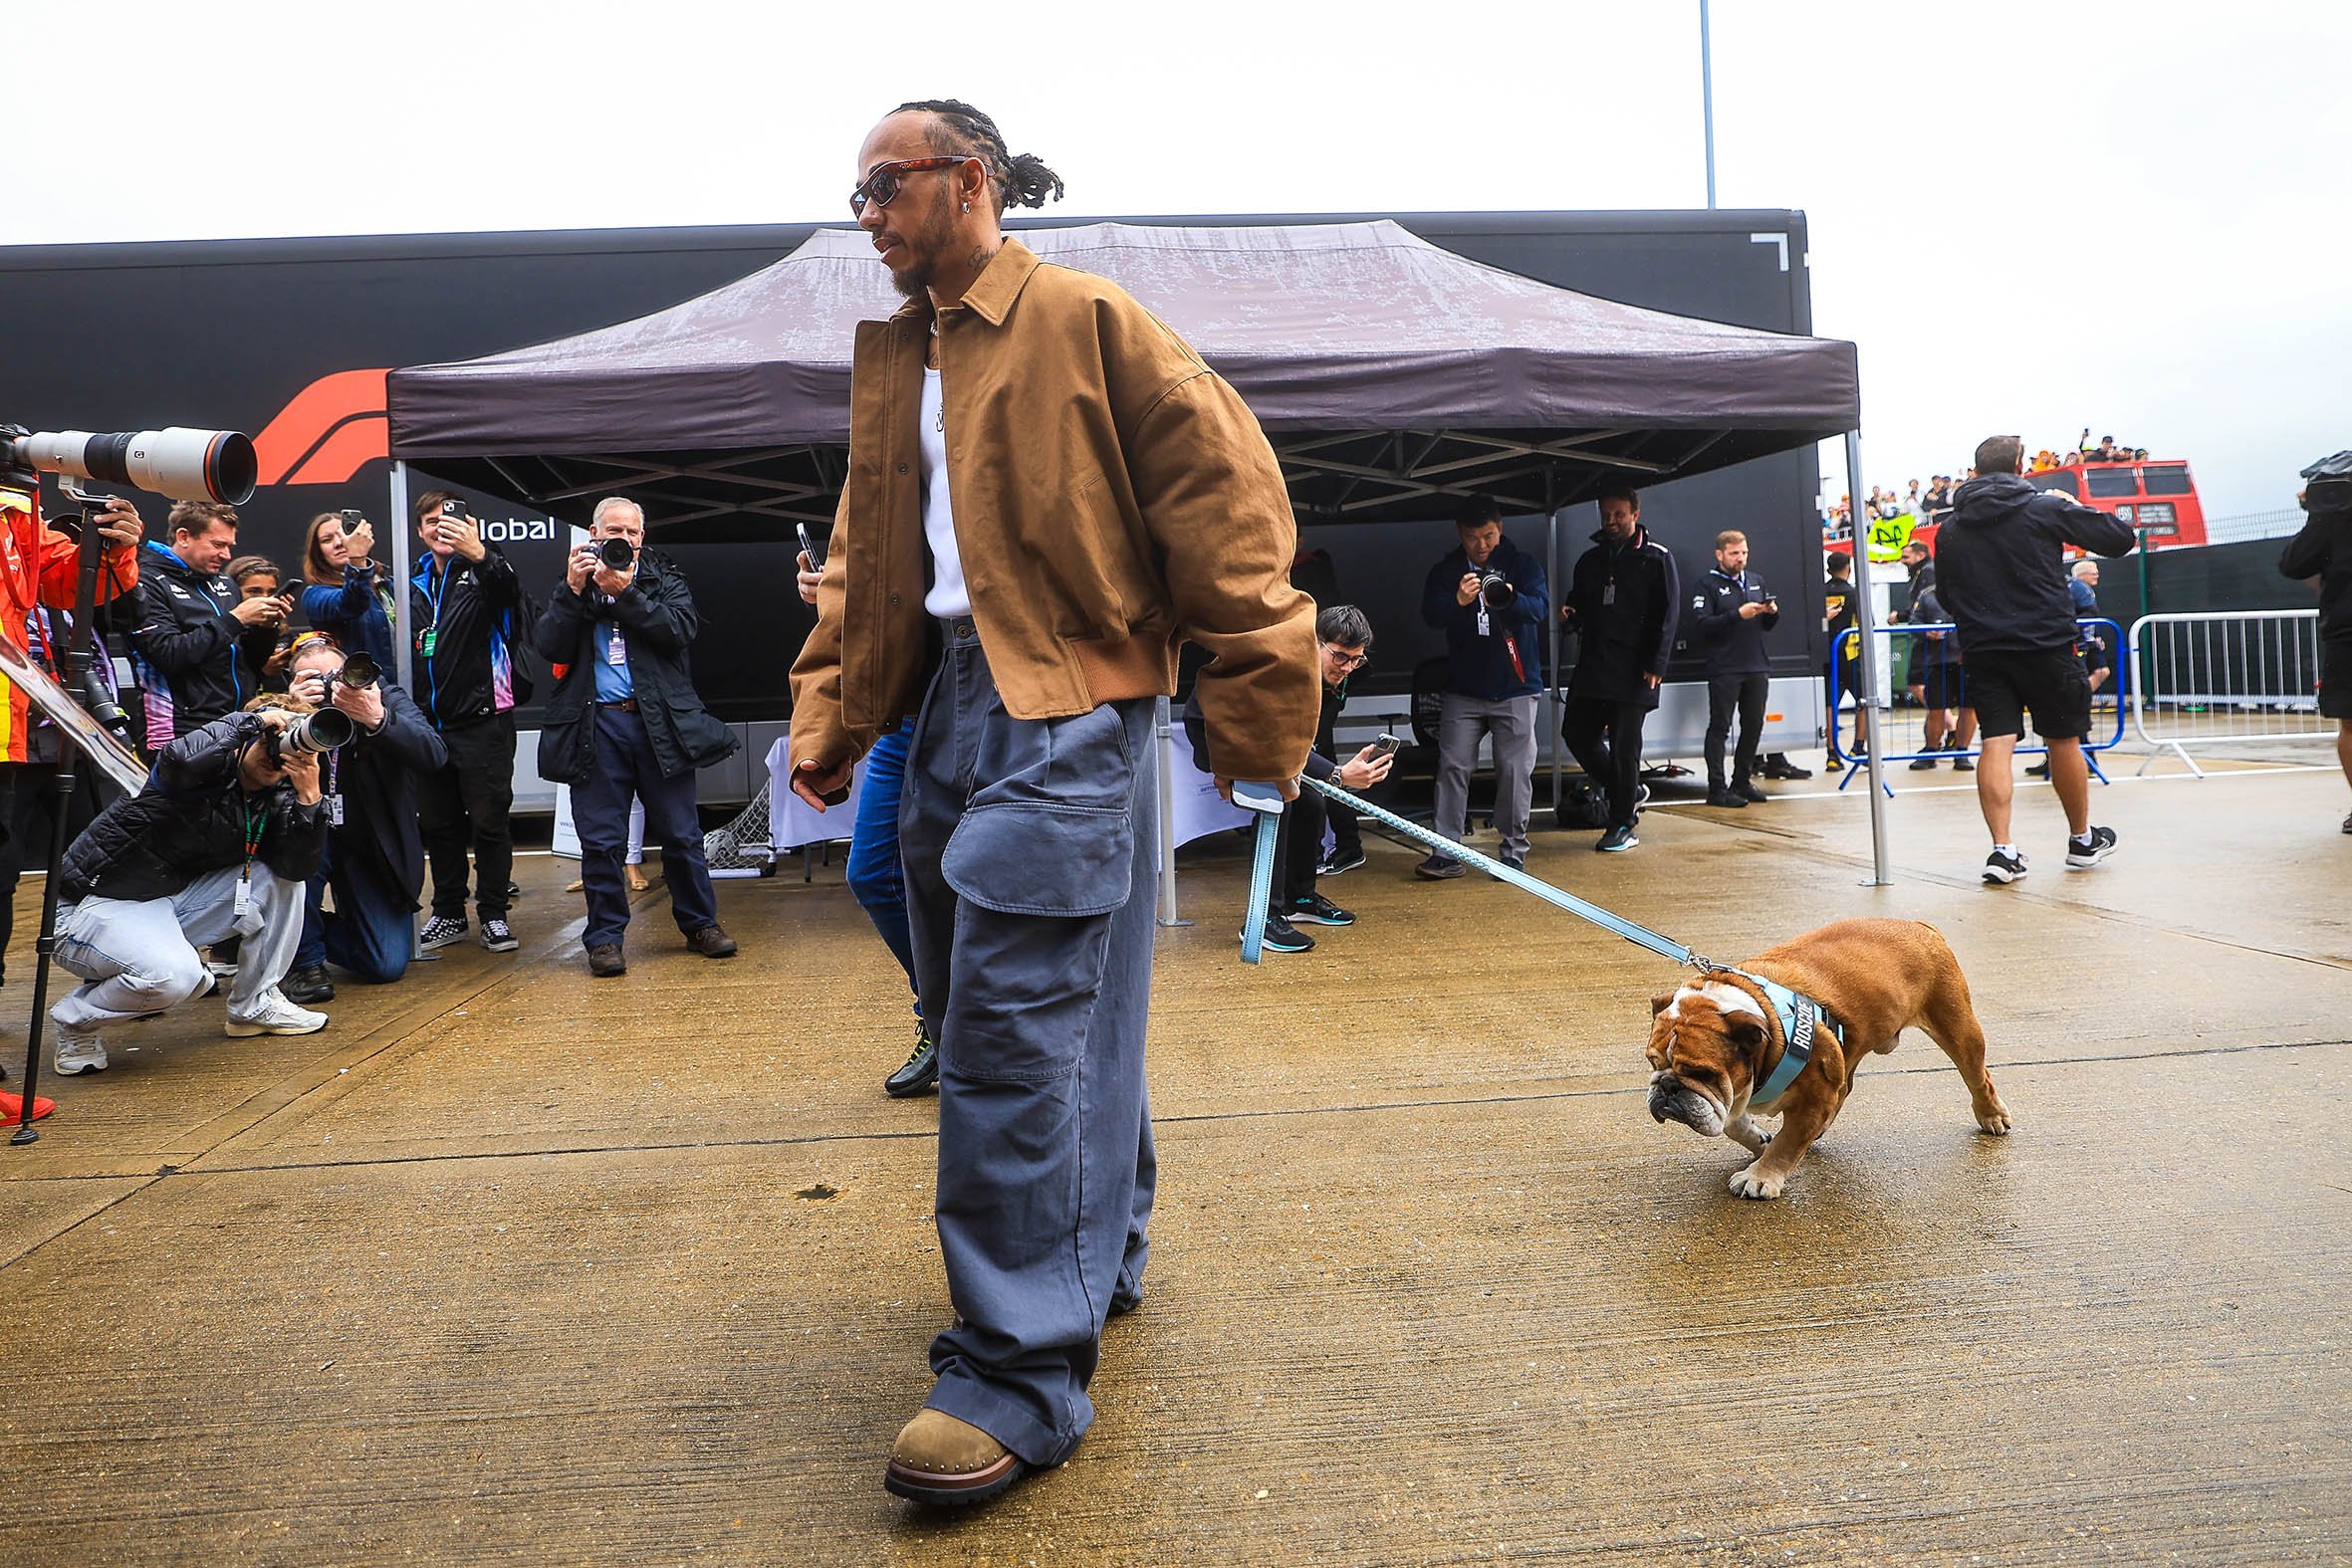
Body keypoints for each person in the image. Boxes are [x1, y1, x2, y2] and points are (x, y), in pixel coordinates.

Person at [788, 99, 1316, 1506]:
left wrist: (1258, 714)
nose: (869, 218)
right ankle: (1101, 1249)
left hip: (1076, 708)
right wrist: (833, 718)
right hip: (948, 705)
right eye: (856, 196)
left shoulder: (1087, 317)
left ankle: (1018, 1368)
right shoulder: (900, 361)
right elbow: (862, 560)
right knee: (1017, 1006)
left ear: (972, 181)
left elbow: (1227, 507)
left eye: (884, 186)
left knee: (1015, 1031)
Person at [46, 695, 333, 1075]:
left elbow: (296, 868)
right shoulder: (197, 772)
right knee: (178, 978)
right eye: (269, 742)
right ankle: (76, 1020)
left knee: (280, 879)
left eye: (287, 748)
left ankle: (254, 1004)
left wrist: (309, 798)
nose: (274, 756)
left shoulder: (278, 797)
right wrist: (255, 722)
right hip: (87, 906)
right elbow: (180, 759)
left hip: (163, 904)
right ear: (245, 736)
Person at [535, 497, 738, 977]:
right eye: (612, 532)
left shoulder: (661, 578)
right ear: (593, 533)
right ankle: (605, 939)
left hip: (657, 724)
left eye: (629, 532)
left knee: (682, 834)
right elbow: (548, 645)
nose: (621, 540)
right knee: (601, 842)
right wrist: (573, 589)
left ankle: (700, 925)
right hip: (596, 725)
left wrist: (626, 592)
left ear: (641, 538)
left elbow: (679, 631)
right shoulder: (574, 582)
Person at [1936, 435, 2135, 884]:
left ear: (1976, 469)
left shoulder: (1951, 528)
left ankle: (2002, 851)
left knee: (1996, 743)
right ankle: (2081, 840)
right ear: (2021, 465)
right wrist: (2069, 499)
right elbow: (2119, 539)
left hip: (1985, 648)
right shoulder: (2044, 508)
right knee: (2063, 740)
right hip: (2047, 644)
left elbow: (1947, 593)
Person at [798, 547, 931, 1094]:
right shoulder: (882, 474)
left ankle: (974, 1024)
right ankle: (943, 1015)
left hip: (995, 694)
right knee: (873, 873)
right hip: (903, 708)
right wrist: (833, 593)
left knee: (979, 875)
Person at [0, 481, 144, 989]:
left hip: (19, 734)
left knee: (4, 872)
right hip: (20, 731)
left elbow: (69, 579)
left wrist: (115, 544)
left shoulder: (13, 505)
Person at [1184, 604, 1391, 952]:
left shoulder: (1330, 673)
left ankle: (1299, 899)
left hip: (1260, 733)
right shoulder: (1286, 670)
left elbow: (1298, 742)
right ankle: (1263, 918)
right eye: (1340, 657)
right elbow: (1279, 744)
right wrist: (1337, 774)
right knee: (1277, 801)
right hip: (1216, 727)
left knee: (1311, 800)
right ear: (1315, 642)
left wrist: (1328, 774)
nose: (1347, 668)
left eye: (1356, 660)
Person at [278, 633, 446, 1004]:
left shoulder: (381, 696)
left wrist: (377, 719)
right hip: (307, 831)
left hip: (368, 843)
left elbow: (434, 754)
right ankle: (305, 963)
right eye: (311, 678)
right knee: (300, 858)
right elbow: (250, 769)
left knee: (383, 965)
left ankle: (291, 933)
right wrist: (289, 714)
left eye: (334, 676)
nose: (327, 687)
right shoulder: (281, 706)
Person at [408, 490, 526, 955]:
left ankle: (494, 915)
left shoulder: (486, 570)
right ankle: (449, 913)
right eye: (432, 521)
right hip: (429, 725)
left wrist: (479, 554)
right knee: (438, 825)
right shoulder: (412, 581)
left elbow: (510, 594)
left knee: (490, 822)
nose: (442, 527)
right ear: (420, 531)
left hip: (483, 720)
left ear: (472, 526)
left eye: (451, 519)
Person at [1416, 495, 1547, 877]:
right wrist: (1458, 601)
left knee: (1514, 771)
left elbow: (1539, 609)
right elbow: (1430, 615)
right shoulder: (1447, 570)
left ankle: (1512, 853)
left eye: (1488, 535)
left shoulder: (1522, 565)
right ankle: (1445, 851)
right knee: (1452, 766)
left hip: (1517, 686)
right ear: (1461, 534)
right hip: (1464, 688)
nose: (1482, 545)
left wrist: (1509, 598)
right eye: (1473, 537)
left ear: (1500, 528)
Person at [1559, 487, 1679, 852]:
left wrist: (1657, 663)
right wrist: (1570, 614)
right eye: (1606, 515)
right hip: (1594, 665)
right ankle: (1627, 790)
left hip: (1636, 670)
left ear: (1635, 514)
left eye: (1619, 515)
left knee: (1626, 748)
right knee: (1576, 734)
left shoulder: (1657, 558)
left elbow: (1669, 614)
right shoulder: (1589, 561)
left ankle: (1623, 823)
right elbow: (1578, 603)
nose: (1611, 522)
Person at [129, 502, 285, 749]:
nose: (226, 555)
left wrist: (266, 628)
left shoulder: (224, 583)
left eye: (229, 546)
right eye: (218, 545)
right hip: (178, 725)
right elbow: (167, 654)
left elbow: (250, 661)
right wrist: (236, 619)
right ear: (184, 537)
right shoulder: (146, 581)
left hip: (235, 718)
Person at [2278, 462, 2352, 831]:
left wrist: (2317, 513)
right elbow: (2293, 564)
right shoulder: (2333, 519)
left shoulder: (2332, 520)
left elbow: (2293, 564)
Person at [1690, 529, 1780, 807]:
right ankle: (1716, 788)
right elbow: (1702, 624)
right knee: (1720, 728)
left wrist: (1772, 613)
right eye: (1734, 554)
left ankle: (1742, 780)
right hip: (1725, 668)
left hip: (1756, 665)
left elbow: (1767, 626)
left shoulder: (1756, 580)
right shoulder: (1707, 584)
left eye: (1744, 553)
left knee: (1753, 726)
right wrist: (1735, 615)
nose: (1740, 558)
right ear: (1720, 555)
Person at [299, 511, 397, 673]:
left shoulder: (388, 585)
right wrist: (357, 559)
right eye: (327, 540)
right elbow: (351, 604)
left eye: (344, 534)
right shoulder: (314, 595)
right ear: (318, 553)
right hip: (358, 688)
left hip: (409, 688)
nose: (339, 542)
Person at [1905, 577, 1976, 772]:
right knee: (1936, 708)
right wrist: (1926, 633)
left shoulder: (1974, 590)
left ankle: (1962, 753)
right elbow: (1914, 621)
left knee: (1967, 708)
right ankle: (1931, 751)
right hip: (1937, 660)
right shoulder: (1928, 594)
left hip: (1967, 660)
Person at [1823, 551, 1866, 766]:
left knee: (1830, 705)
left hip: (1827, 656)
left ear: (1828, 569)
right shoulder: (1855, 594)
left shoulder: (1819, 593)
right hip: (1850, 655)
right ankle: (1859, 747)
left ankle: (1832, 755)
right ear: (1848, 568)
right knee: (1866, 701)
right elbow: (1868, 625)